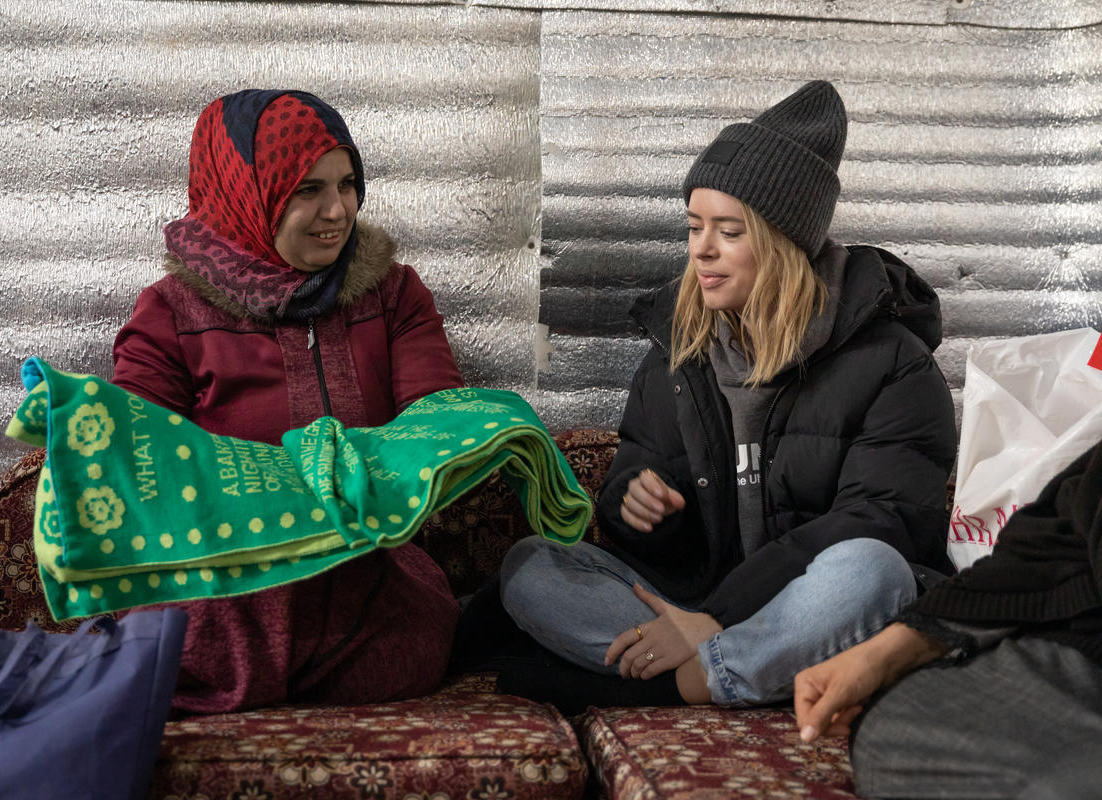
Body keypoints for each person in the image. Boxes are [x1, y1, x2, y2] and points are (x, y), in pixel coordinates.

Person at [495, 80, 957, 712]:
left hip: (792, 606)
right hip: (694, 607)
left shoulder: (893, 365)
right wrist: (642, 507)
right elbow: (636, 473)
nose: (701, 250)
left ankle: (678, 685)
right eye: (694, 226)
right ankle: (737, 670)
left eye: (728, 231)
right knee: (532, 564)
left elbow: (881, 521)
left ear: (783, 242)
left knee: (871, 571)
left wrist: (716, 618)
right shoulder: (679, 353)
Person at [111, 89, 464, 714]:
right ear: (245, 192)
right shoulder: (172, 312)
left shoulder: (393, 295)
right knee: (209, 619)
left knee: (415, 627)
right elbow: (137, 463)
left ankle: (217, 682)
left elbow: (435, 427)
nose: (338, 210)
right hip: (225, 572)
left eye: (348, 183)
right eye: (307, 190)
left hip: (363, 576)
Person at [795, 438, 1102, 800]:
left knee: (871, 567)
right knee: (895, 727)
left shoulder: (902, 382)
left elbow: (881, 509)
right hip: (1083, 646)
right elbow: (1051, 545)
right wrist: (895, 648)